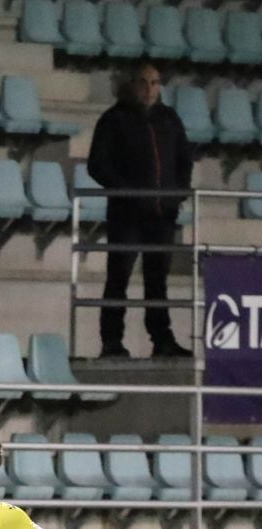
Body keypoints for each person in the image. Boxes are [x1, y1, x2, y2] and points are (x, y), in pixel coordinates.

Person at [88, 61, 194, 359]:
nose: (149, 89)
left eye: (155, 83)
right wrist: (128, 193)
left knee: (157, 279)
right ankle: (111, 341)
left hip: (162, 215)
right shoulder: (114, 119)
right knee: (118, 276)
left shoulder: (170, 118)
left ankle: (162, 339)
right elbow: (97, 164)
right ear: (132, 84)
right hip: (127, 215)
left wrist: (178, 193)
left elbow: (185, 159)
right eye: (144, 82)